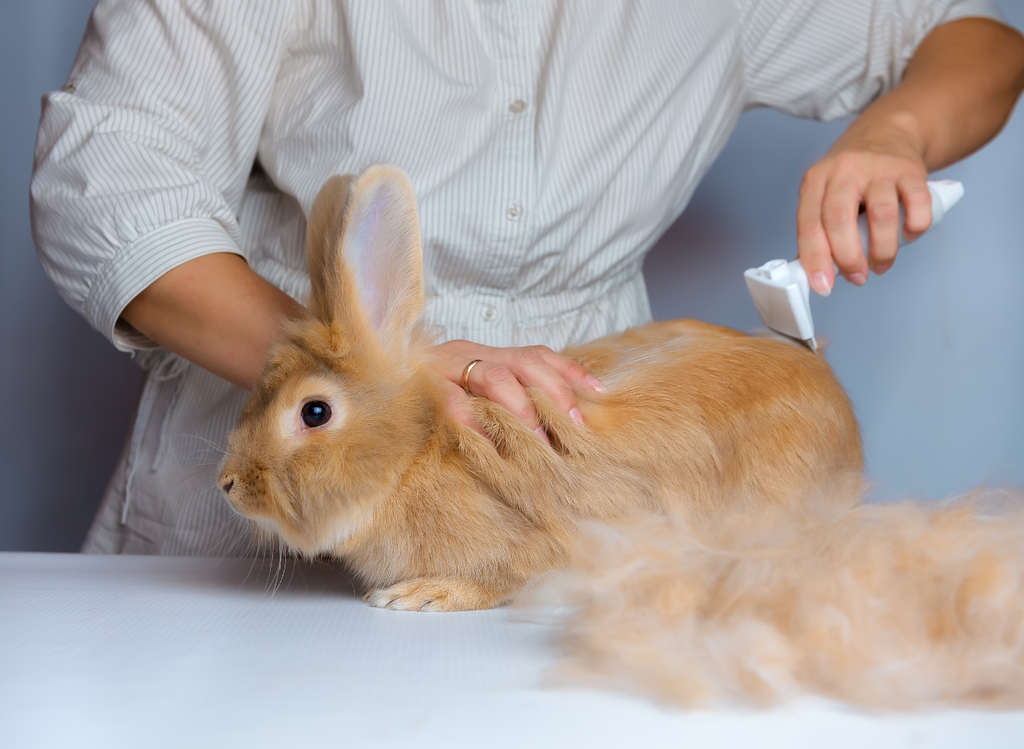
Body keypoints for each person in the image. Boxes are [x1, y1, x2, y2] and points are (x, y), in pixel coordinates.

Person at [31, 0, 1024, 555]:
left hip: (579, 499)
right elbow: (109, 183)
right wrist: (380, 375)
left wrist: (897, 129)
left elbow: (971, 40)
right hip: (276, 483)